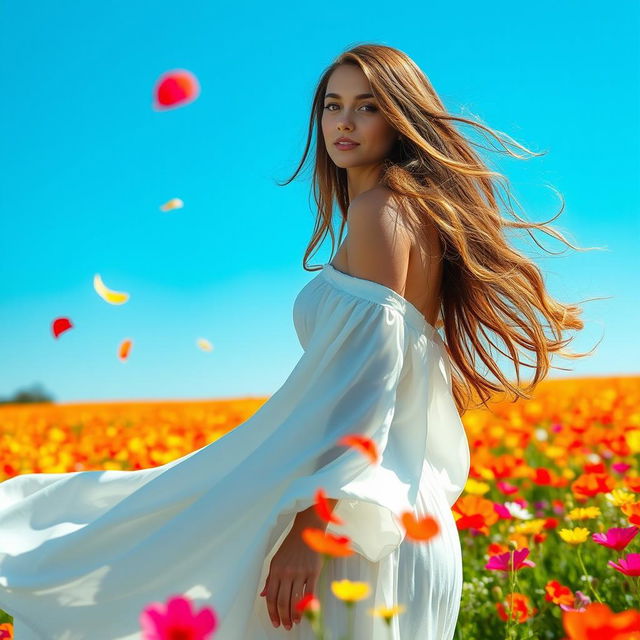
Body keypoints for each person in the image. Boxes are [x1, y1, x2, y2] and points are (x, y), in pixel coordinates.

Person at [0, 44, 596, 639]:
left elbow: (371, 379)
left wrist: (312, 525)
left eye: (367, 107)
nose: (344, 121)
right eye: (333, 106)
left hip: (352, 531)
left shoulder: (381, 212)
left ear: (400, 118)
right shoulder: (413, 213)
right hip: (397, 518)